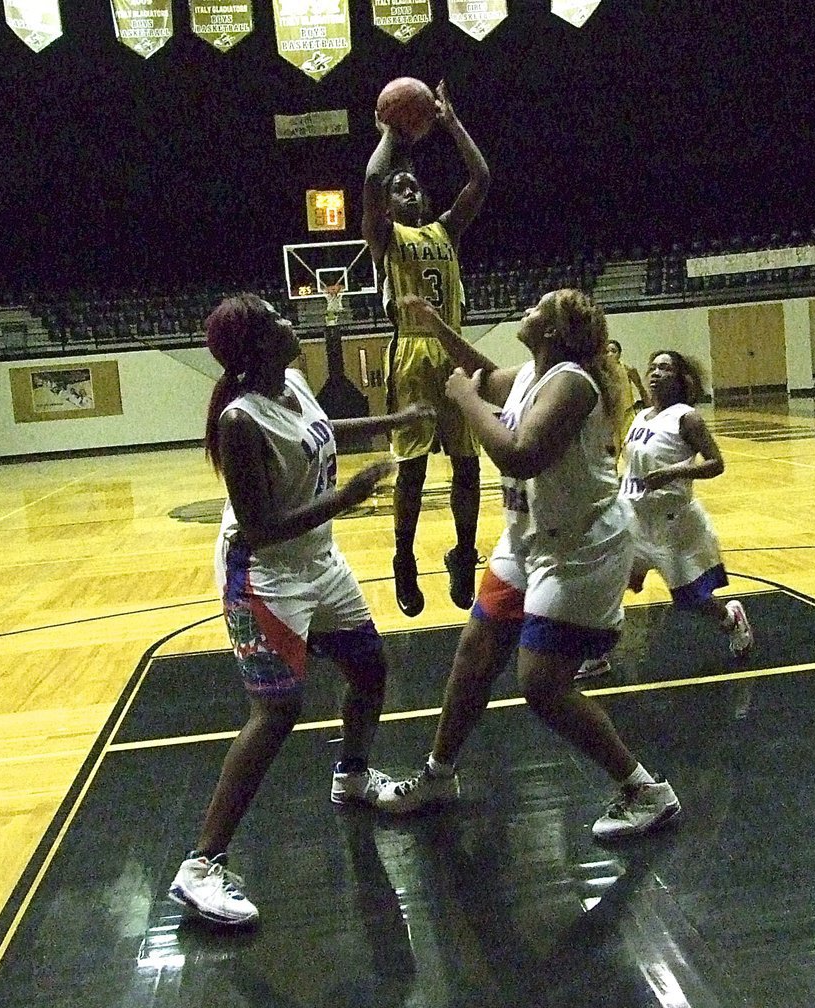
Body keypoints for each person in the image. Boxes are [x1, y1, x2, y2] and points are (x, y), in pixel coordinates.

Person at [376, 288, 682, 841]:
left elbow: (519, 452)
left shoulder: (571, 383)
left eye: (538, 308)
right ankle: (439, 774)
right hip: (525, 542)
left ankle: (645, 790)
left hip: (579, 550)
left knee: (541, 686)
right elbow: (484, 373)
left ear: (555, 332)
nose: (526, 311)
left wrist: (465, 403)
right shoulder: (529, 374)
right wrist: (434, 326)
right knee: (474, 655)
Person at [167, 294, 433, 926]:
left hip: (319, 561)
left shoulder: (291, 381)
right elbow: (258, 529)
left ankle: (352, 775)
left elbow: (319, 429)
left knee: (369, 668)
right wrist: (349, 495)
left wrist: (396, 418)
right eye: (275, 318)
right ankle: (200, 866)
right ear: (257, 345)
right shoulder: (240, 421)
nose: (291, 321)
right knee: (278, 711)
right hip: (264, 575)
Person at [361, 80, 490, 618]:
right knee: (412, 468)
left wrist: (452, 123)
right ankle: (403, 559)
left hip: (455, 353)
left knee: (467, 466)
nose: (407, 189)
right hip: (412, 355)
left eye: (414, 185)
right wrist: (392, 131)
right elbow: (372, 176)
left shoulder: (446, 231)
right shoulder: (384, 237)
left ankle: (463, 553)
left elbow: (481, 178)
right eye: (400, 187)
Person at [577, 350, 753, 681]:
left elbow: (717, 463)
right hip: (633, 517)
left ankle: (731, 618)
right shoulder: (641, 416)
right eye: (653, 367)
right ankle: (596, 654)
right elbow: (631, 463)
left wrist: (672, 473)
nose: (656, 373)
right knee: (607, 583)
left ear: (681, 379)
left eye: (665, 368)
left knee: (693, 600)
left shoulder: (688, 419)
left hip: (674, 523)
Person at [605, 338, 648, 452]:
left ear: (619, 354)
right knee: (613, 448)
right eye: (606, 351)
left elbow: (641, 388)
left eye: (613, 351)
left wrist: (649, 405)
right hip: (610, 416)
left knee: (629, 445)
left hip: (627, 412)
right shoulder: (601, 371)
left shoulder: (627, 369)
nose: (610, 354)